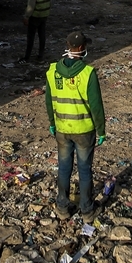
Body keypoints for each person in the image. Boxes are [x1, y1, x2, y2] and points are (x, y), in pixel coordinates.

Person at [45, 32, 106, 223]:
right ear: (80, 48)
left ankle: (62, 206)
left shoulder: (53, 71)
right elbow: (96, 106)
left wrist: (52, 123)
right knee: (84, 169)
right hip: (84, 131)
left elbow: (49, 101)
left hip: (62, 129)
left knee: (64, 168)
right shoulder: (88, 73)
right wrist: (101, 130)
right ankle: (87, 210)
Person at [21, 0, 51, 64]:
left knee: (31, 37)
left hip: (35, 16)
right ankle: (40, 55)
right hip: (44, 15)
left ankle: (27, 57)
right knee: (42, 35)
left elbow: (31, 4)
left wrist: (26, 16)